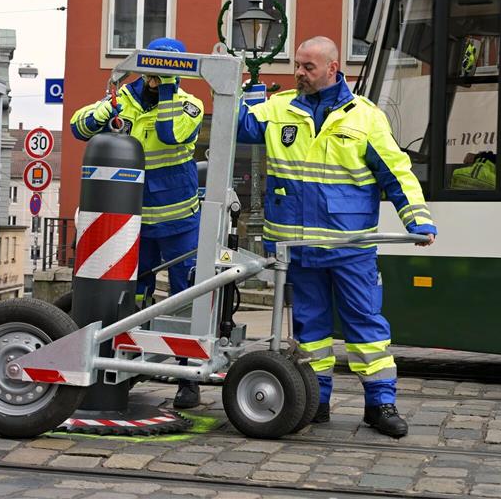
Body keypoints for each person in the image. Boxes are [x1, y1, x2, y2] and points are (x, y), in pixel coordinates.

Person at [237, 36, 436, 438]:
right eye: (297, 65)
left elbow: (396, 173)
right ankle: (316, 402)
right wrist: (246, 90)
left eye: (308, 67)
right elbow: (239, 126)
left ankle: (380, 406)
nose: (299, 73)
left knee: (366, 329)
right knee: (310, 333)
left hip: (350, 248)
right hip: (298, 249)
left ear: (332, 68)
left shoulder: (365, 117)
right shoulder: (279, 108)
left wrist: (417, 219)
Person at [71, 37, 204, 409]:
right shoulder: (122, 99)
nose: (155, 77)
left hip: (179, 222)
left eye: (164, 71)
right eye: (152, 69)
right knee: (131, 297)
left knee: (185, 298)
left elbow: (170, 133)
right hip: (132, 223)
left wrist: (169, 90)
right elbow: (78, 127)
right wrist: (103, 112)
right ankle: (125, 369)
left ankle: (188, 377)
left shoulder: (189, 105)